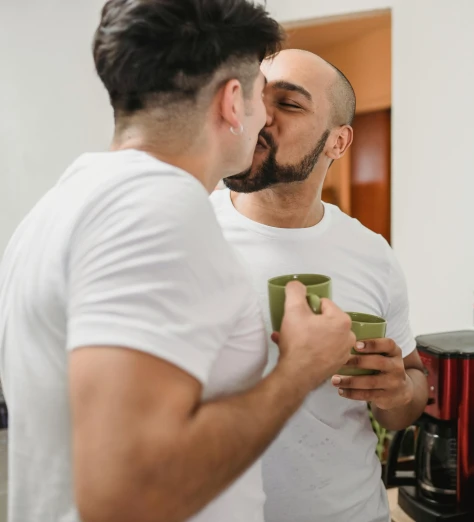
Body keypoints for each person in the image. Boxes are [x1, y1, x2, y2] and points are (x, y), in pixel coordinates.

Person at [0, 3, 356, 522]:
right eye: (261, 93)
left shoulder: (62, 203)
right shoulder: (157, 211)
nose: (265, 118)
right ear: (234, 102)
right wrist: (300, 369)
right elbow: (126, 495)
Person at [212, 49, 429, 522]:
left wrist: (398, 392)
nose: (260, 115)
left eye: (288, 104)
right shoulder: (187, 232)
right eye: (255, 96)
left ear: (339, 142)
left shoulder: (373, 254)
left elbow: (410, 392)